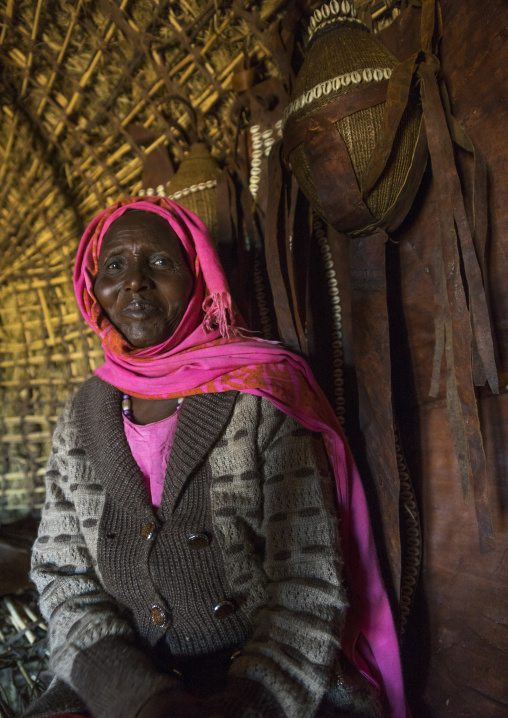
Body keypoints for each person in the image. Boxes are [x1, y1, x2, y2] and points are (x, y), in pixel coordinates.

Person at [23, 197, 406, 718]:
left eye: (159, 262)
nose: (134, 280)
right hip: (123, 682)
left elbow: (308, 582)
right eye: (114, 265)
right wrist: (134, 696)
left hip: (262, 683)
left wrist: (243, 705)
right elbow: (62, 575)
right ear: (92, 287)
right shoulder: (82, 414)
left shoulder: (262, 397)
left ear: (199, 277)